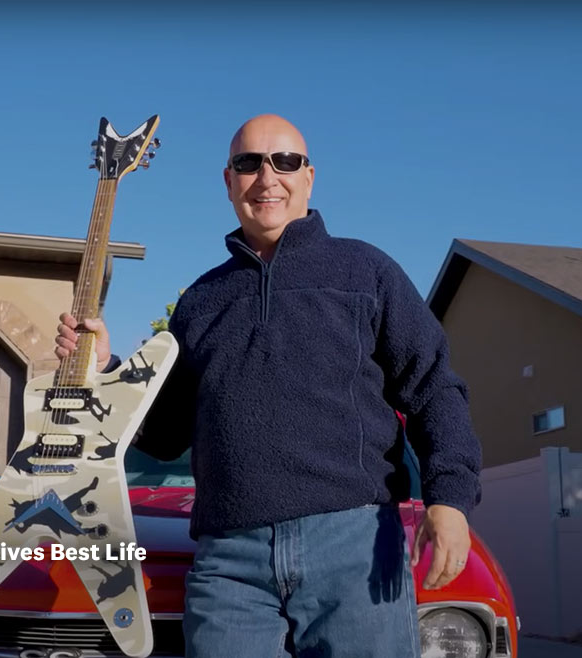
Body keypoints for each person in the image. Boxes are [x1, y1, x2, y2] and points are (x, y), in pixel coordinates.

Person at [55, 114, 482, 657]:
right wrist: (107, 368)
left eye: (285, 161)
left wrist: (450, 500)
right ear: (229, 181)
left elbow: (434, 389)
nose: (267, 176)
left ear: (308, 177)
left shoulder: (366, 272)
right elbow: (164, 434)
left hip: (353, 548)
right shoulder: (200, 302)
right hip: (229, 561)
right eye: (248, 163)